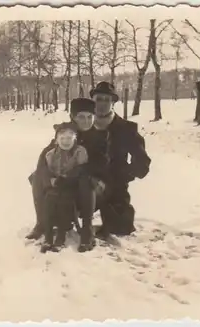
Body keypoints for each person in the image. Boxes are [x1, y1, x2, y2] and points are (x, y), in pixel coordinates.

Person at [27, 98, 109, 252]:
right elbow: (46, 157)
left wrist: (73, 173)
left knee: (86, 179)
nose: (86, 121)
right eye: (81, 117)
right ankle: (42, 222)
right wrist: (48, 178)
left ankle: (87, 229)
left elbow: (100, 164)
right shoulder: (66, 133)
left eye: (89, 117)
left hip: (94, 187)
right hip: (66, 184)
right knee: (37, 175)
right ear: (73, 117)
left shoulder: (100, 136)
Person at [89, 81, 152, 238]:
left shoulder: (126, 128)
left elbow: (142, 162)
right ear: (93, 102)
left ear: (113, 102)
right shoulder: (84, 126)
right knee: (63, 216)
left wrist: (125, 174)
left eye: (107, 99)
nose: (102, 104)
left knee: (121, 229)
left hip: (115, 186)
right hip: (88, 184)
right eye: (98, 99)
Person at [36, 122, 89, 253]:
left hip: (72, 187)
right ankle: (48, 236)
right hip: (55, 187)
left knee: (64, 201)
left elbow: (81, 170)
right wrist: (51, 182)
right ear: (56, 140)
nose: (66, 141)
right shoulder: (50, 154)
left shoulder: (79, 152)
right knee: (49, 200)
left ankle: (60, 236)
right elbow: (46, 172)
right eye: (62, 138)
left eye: (69, 138)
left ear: (75, 139)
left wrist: (67, 179)